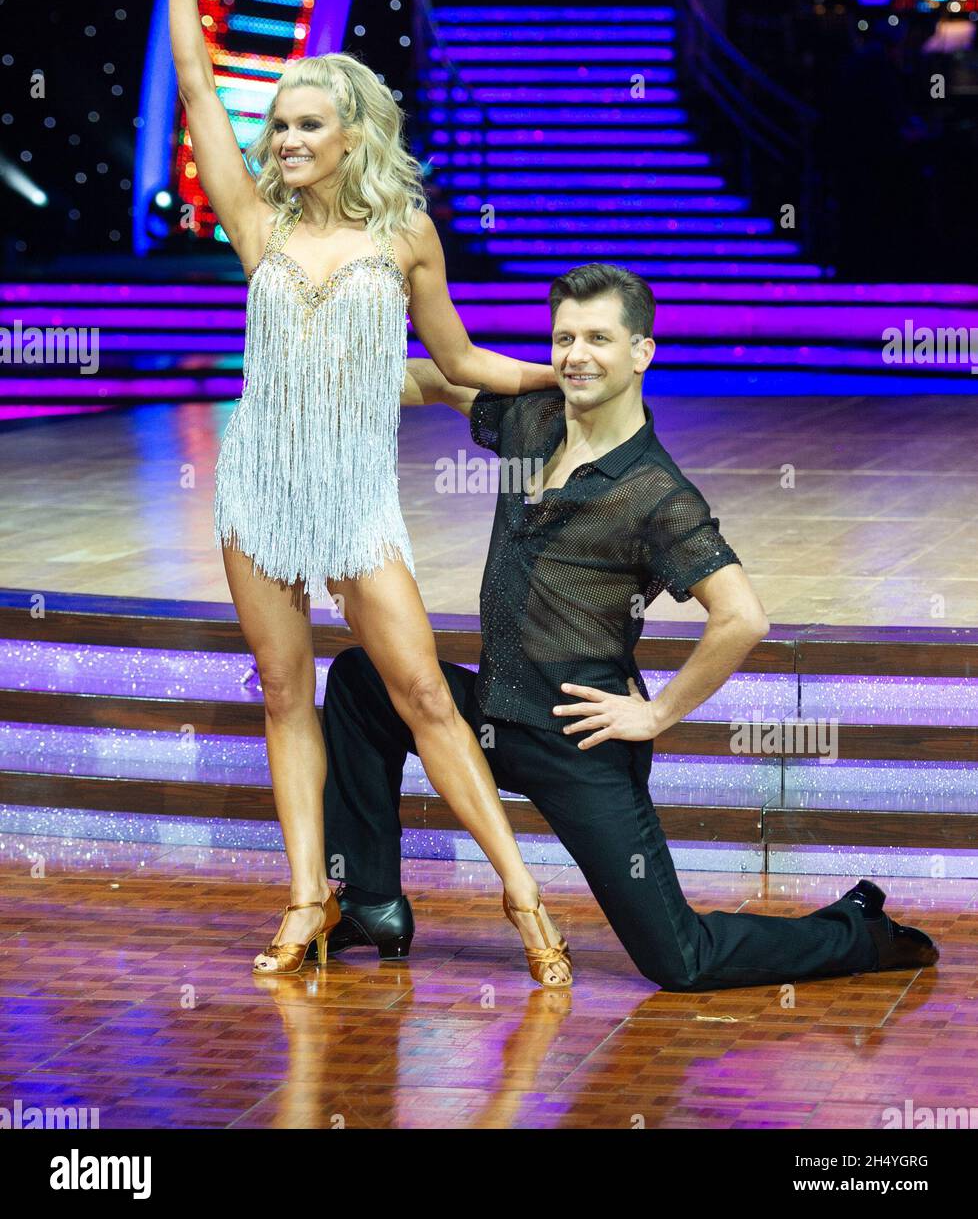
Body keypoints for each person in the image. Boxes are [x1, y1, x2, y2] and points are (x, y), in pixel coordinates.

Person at [109, 0, 571, 986]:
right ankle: (309, 898)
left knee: (419, 693)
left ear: (352, 133)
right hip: (260, 493)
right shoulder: (255, 223)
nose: (287, 139)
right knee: (283, 692)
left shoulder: (406, 233)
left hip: (359, 504)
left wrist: (567, 371)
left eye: (309, 124)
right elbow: (199, 102)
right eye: (282, 125)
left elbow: (457, 361)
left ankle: (524, 896)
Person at [321, 263, 940, 989]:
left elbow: (742, 618)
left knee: (681, 962)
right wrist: (326, 368)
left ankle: (860, 934)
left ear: (642, 351)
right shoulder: (532, 418)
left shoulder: (655, 494)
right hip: (483, 717)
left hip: (579, 741)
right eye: (563, 338)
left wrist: (655, 714)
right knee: (364, 679)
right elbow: (437, 381)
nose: (575, 354)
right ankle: (369, 899)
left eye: (598, 339)